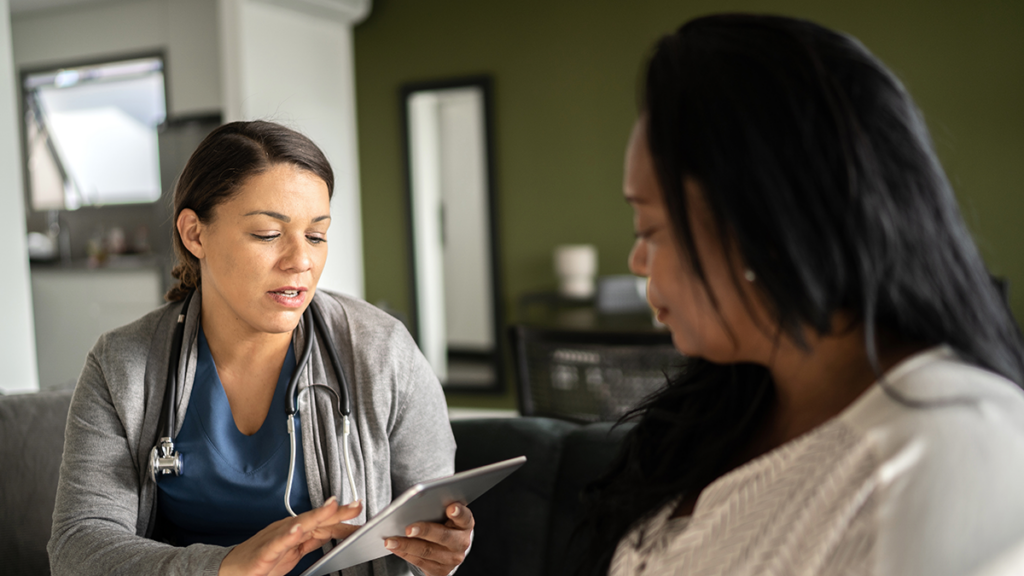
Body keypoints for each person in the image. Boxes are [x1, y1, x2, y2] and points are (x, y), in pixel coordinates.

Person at [578, 14, 1024, 576]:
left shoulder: (949, 451)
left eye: (648, 228)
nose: (637, 260)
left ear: (763, 225)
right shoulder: (727, 404)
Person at [48, 121, 473, 576]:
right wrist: (224, 567)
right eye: (269, 234)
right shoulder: (123, 366)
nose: (301, 261)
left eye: (316, 235)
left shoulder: (383, 352)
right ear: (195, 234)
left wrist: (443, 552)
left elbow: (432, 520)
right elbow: (79, 546)